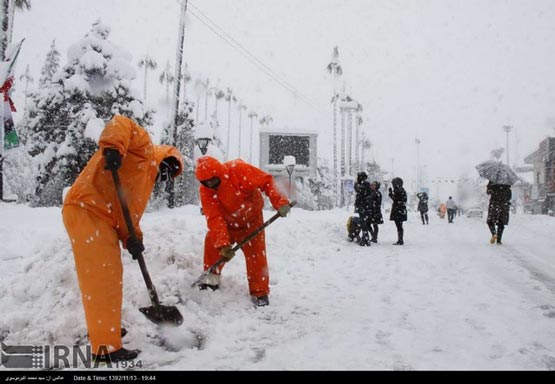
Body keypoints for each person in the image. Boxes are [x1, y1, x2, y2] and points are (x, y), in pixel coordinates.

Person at [62, 115, 184, 363]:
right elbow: (122, 122)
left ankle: (105, 330)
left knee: (108, 277)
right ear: (163, 157)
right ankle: (105, 348)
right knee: (102, 278)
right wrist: (113, 147)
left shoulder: (143, 183)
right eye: (166, 168)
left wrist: (133, 239)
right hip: (88, 208)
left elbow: (126, 214)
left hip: (99, 215)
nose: (164, 176)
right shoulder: (143, 149)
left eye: (168, 176)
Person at [194, 156, 290, 307]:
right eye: (205, 182)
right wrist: (223, 244)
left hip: (251, 221)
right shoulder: (206, 191)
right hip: (227, 223)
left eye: (212, 180)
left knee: (256, 256)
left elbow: (266, 181)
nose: (210, 184)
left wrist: (280, 201)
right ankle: (211, 280)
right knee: (212, 245)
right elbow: (213, 217)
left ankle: (260, 293)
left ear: (219, 173)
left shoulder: (239, 170)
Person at [353, 172, 372, 246]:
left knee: (363, 223)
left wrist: (356, 186)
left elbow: (360, 191)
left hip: (363, 206)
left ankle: (365, 239)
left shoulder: (365, 184)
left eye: (358, 176)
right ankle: (365, 239)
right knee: (362, 222)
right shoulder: (364, 184)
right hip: (363, 206)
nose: (357, 178)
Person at [388, 177, 407, 245]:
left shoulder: (398, 190)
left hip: (398, 210)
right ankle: (400, 239)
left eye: (393, 183)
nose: (393, 185)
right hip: (400, 210)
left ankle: (400, 240)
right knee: (399, 225)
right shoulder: (401, 190)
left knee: (399, 225)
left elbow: (395, 199)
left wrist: (390, 194)